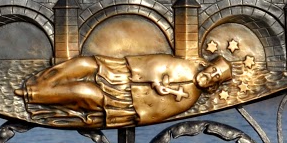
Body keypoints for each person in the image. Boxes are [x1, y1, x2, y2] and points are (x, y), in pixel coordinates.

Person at [20, 53, 234, 128]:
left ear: (214, 86)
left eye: (215, 78)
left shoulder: (189, 100)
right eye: (213, 70)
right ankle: (43, 81)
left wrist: (158, 91)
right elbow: (155, 63)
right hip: (125, 71)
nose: (210, 76)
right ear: (207, 65)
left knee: (85, 93)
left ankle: (34, 95)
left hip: (125, 102)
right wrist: (156, 81)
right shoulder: (186, 65)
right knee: (84, 63)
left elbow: (155, 113)